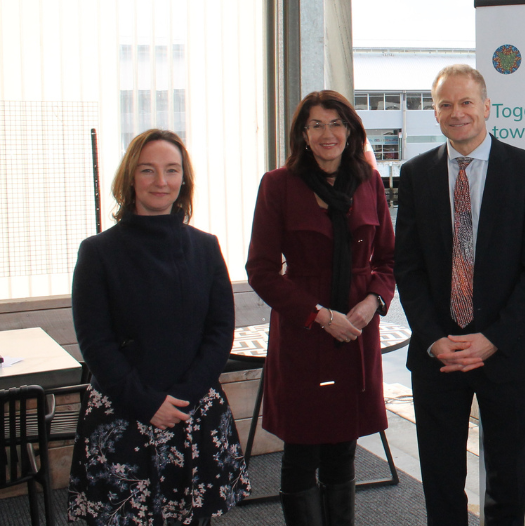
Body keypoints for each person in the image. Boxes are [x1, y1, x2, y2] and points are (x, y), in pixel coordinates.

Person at [393, 64, 525, 526]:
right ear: (435, 112)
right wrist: (432, 338)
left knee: (507, 478)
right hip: (438, 354)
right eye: (445, 104)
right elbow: (408, 268)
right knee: (440, 477)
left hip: (505, 351)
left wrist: (492, 339)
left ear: (486, 106)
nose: (457, 112)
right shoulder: (415, 173)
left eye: (466, 102)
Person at [68, 129, 249, 525]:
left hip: (193, 412)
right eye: (148, 170)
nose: (161, 181)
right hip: (123, 413)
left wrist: (182, 398)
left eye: (172, 170)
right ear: (130, 177)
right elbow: (95, 343)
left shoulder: (205, 247)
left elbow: (220, 332)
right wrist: (148, 404)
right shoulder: (97, 252)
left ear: (184, 179)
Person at [246, 90, 396, 526]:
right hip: (304, 330)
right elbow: (261, 270)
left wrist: (374, 301)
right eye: (316, 125)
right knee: (301, 449)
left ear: (350, 131)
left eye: (336, 124)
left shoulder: (369, 181)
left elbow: (389, 260)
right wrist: (320, 315)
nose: (327, 134)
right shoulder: (278, 184)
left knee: (343, 448)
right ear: (303, 134)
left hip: (356, 329)